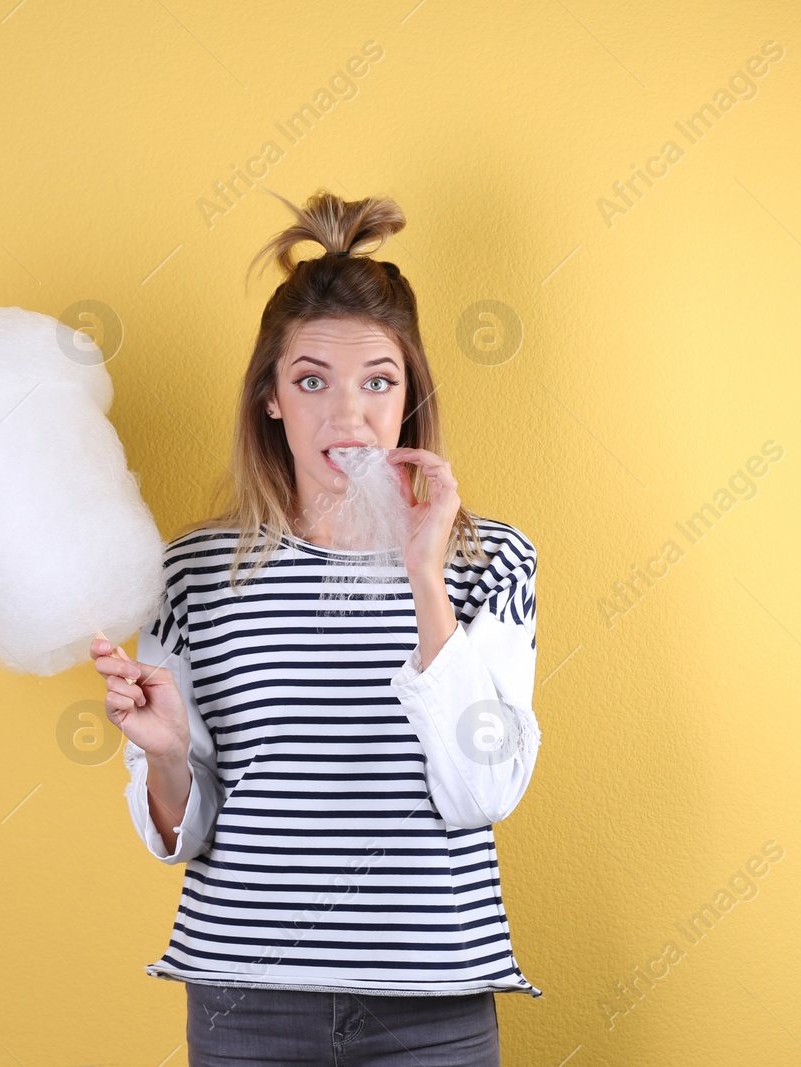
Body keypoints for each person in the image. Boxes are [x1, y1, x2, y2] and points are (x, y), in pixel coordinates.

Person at [90, 188, 542, 1066]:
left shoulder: (490, 562)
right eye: (311, 381)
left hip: (433, 1002)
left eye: (378, 381)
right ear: (270, 398)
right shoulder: (190, 574)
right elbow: (185, 830)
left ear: (408, 395)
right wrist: (171, 753)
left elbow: (484, 792)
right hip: (246, 1003)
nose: (348, 415)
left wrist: (422, 572)